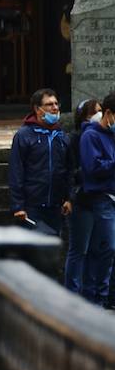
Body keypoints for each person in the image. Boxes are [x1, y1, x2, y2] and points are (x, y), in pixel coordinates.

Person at [8, 88, 71, 236]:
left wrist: (69, 198)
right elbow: (16, 171)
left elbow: (68, 168)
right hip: (32, 206)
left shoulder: (61, 136)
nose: (55, 108)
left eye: (56, 103)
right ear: (37, 109)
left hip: (56, 206)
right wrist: (18, 205)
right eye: (49, 104)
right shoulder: (24, 135)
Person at [77, 91, 115, 306]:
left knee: (105, 248)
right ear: (108, 113)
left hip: (111, 196)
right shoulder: (90, 135)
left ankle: (102, 295)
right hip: (100, 196)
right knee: (107, 247)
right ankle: (95, 297)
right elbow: (93, 168)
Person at [64, 98, 101, 293]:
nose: (100, 115)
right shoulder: (77, 138)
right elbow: (72, 170)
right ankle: (72, 292)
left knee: (97, 250)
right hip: (81, 199)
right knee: (79, 250)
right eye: (96, 111)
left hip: (98, 199)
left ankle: (90, 293)